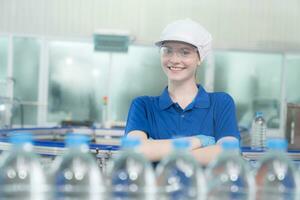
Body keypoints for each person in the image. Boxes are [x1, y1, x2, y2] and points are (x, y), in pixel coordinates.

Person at [125, 19, 240, 165]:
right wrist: (198, 141)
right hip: (158, 188)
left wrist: (157, 150)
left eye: (185, 52)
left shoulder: (221, 103)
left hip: (205, 188)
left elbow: (229, 153)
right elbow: (135, 150)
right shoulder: (143, 106)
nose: (174, 59)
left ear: (199, 58)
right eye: (168, 51)